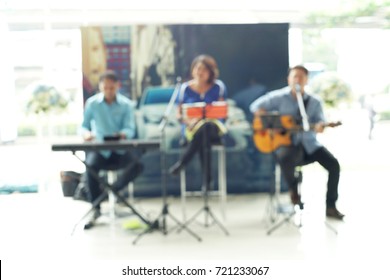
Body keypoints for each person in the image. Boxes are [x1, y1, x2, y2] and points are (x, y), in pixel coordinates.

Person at [249, 65, 344, 220]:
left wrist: (320, 126)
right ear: (289, 79)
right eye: (295, 76)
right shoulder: (277, 97)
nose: (297, 80)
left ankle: (331, 206)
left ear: (307, 80)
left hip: (309, 145)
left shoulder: (314, 102)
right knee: (285, 156)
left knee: (334, 165)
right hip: (288, 144)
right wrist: (270, 119)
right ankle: (294, 192)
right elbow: (255, 107)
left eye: (301, 77)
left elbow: (320, 121)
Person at [81, 70, 144, 229]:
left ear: (117, 86)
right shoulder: (92, 104)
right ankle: (96, 208)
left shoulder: (126, 104)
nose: (109, 91)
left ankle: (111, 191)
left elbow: (130, 128)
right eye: (105, 87)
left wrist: (123, 134)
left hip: (120, 150)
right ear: (101, 87)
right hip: (101, 149)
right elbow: (83, 127)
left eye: (112, 87)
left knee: (137, 166)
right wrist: (87, 134)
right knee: (90, 168)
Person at [168, 54, 227, 187]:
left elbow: (222, 112)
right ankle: (207, 179)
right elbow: (179, 115)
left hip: (213, 128)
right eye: (197, 68)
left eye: (204, 69)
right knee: (202, 135)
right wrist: (190, 122)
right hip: (192, 129)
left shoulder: (219, 87)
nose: (200, 72)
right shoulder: (184, 89)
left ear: (211, 72)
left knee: (206, 128)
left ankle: (183, 163)